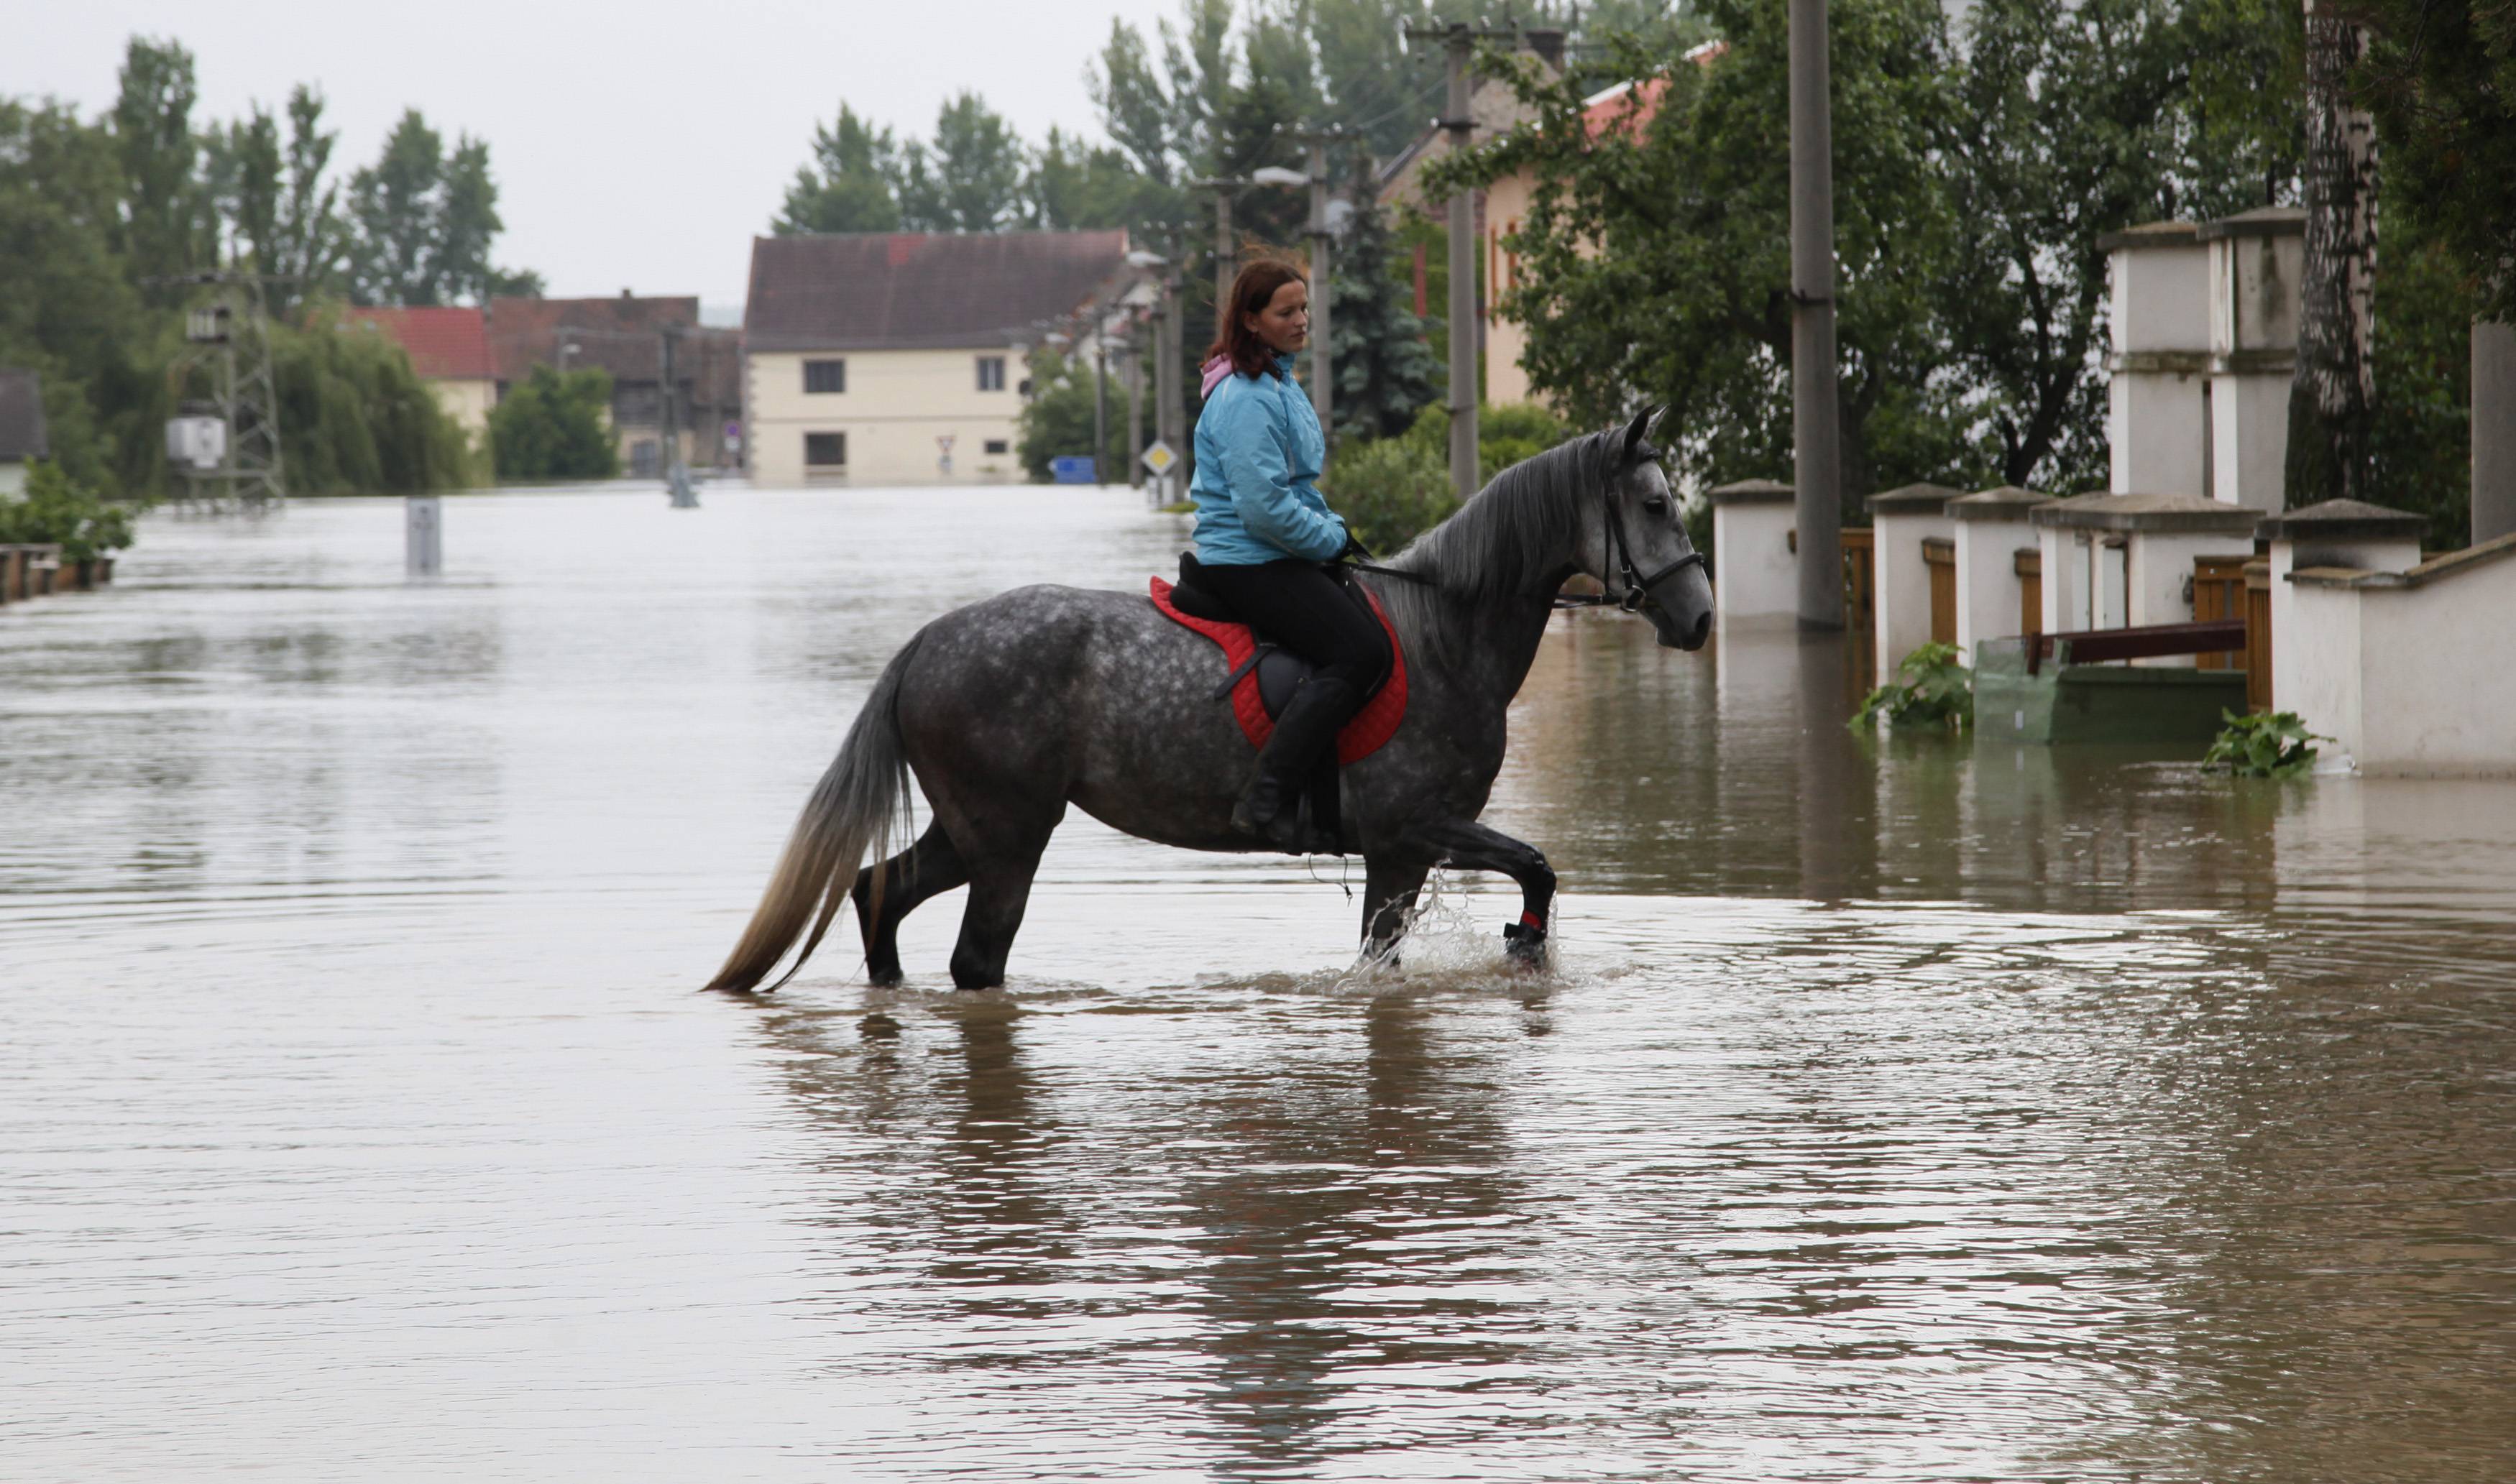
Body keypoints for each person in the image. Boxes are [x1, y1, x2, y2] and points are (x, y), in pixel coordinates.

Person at [1188, 257, 1393, 851]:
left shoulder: (1280, 380)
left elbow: (1296, 487)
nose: (1302, 320)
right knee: (1361, 652)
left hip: (1273, 550)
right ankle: (1267, 797)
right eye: (1287, 312)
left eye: (1305, 308)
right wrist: (1330, 539)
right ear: (1252, 321)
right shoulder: (1248, 396)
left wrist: (1334, 525)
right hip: (1248, 560)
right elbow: (1264, 509)